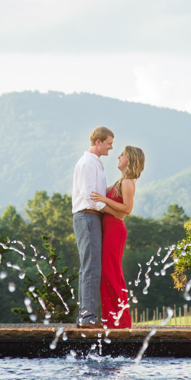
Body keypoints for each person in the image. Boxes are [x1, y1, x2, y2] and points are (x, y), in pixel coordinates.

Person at [91, 145, 145, 329]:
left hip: (115, 231)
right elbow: (109, 206)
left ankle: (119, 322)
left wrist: (104, 200)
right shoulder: (119, 182)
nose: (118, 157)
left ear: (129, 159)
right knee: (109, 274)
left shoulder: (128, 182)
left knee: (111, 274)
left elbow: (127, 210)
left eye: (121, 155)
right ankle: (113, 319)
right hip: (110, 229)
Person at [71, 126, 114, 328]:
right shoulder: (88, 163)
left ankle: (85, 316)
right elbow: (90, 198)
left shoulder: (96, 163)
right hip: (87, 216)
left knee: (90, 266)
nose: (111, 147)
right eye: (108, 143)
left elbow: (99, 195)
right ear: (98, 142)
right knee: (91, 267)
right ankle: (87, 318)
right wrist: (113, 210)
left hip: (92, 217)